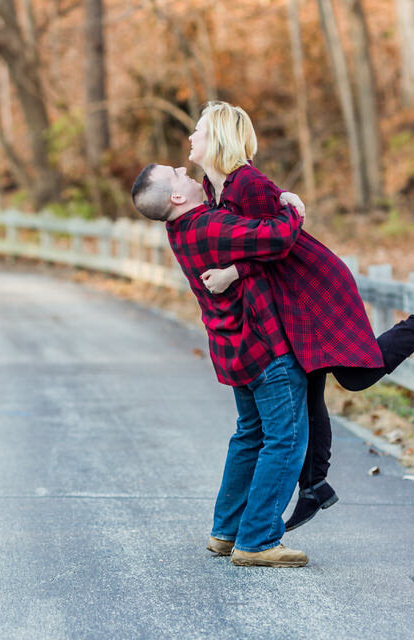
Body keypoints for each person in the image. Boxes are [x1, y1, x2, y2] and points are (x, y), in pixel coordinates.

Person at [186, 101, 414, 531]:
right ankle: (313, 486)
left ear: (217, 138)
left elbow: (279, 244)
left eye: (198, 130)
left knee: (353, 377)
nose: (190, 138)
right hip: (284, 295)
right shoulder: (218, 190)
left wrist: (234, 271)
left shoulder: (247, 183)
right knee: (309, 389)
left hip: (311, 288)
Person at [131, 163, 311, 568]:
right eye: (176, 174)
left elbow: (252, 255)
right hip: (263, 347)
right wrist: (293, 209)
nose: (184, 169)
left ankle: (226, 532)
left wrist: (237, 270)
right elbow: (276, 238)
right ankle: (258, 540)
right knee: (285, 439)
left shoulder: (187, 228)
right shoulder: (210, 225)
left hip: (234, 350)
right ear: (177, 197)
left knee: (250, 435)